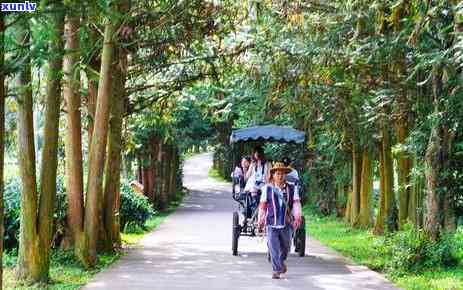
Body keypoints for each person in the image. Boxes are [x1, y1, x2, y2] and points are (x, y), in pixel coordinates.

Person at [257, 162, 302, 279]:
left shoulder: (292, 188)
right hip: (271, 223)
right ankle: (276, 270)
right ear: (273, 175)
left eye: (282, 173)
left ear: (285, 175)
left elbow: (296, 203)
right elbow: (262, 206)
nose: (280, 176)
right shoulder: (267, 188)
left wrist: (297, 216)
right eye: (277, 173)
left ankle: (281, 262)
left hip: (286, 223)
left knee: (286, 246)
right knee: (273, 246)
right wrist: (261, 220)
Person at [244, 146, 271, 211]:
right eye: (255, 154)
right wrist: (247, 169)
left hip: (263, 183)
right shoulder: (252, 164)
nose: (257, 155)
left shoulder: (267, 164)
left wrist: (266, 181)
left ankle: (263, 207)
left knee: (267, 190)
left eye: (258, 154)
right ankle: (255, 207)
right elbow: (247, 176)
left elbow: (269, 175)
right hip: (253, 184)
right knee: (253, 188)